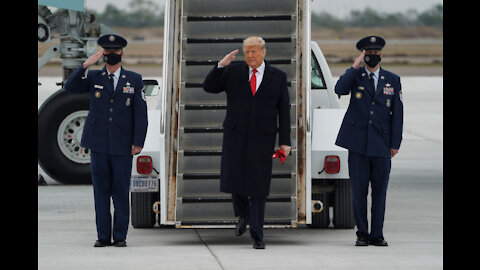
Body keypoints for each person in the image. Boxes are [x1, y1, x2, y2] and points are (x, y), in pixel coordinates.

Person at [203, 36, 291, 249]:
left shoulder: (278, 77)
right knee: (236, 181)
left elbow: (284, 111)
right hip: (236, 136)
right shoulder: (233, 72)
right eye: (246, 51)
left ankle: (257, 234)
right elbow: (209, 87)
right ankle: (242, 214)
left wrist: (285, 142)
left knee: (259, 186)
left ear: (263, 52)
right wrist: (220, 65)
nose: (249, 55)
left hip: (263, 138)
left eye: (253, 51)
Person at [64, 34, 148, 247]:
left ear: (122, 52)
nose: (112, 54)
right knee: (100, 192)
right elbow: (70, 87)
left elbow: (140, 114)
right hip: (99, 144)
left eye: (115, 51)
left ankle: (120, 236)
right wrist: (85, 65)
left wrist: (138, 141)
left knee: (120, 191)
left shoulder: (134, 79)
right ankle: (103, 236)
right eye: (107, 51)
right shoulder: (94, 77)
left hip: (122, 145)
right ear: (102, 53)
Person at [335, 35, 403, 247]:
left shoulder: (392, 80)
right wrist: (354, 67)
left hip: (381, 145)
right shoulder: (356, 77)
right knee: (359, 192)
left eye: (375, 53)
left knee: (380, 193)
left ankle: (377, 234)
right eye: (368, 53)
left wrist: (395, 143)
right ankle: (362, 233)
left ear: (381, 54)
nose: (372, 56)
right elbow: (339, 90)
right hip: (358, 144)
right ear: (363, 55)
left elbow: (398, 114)